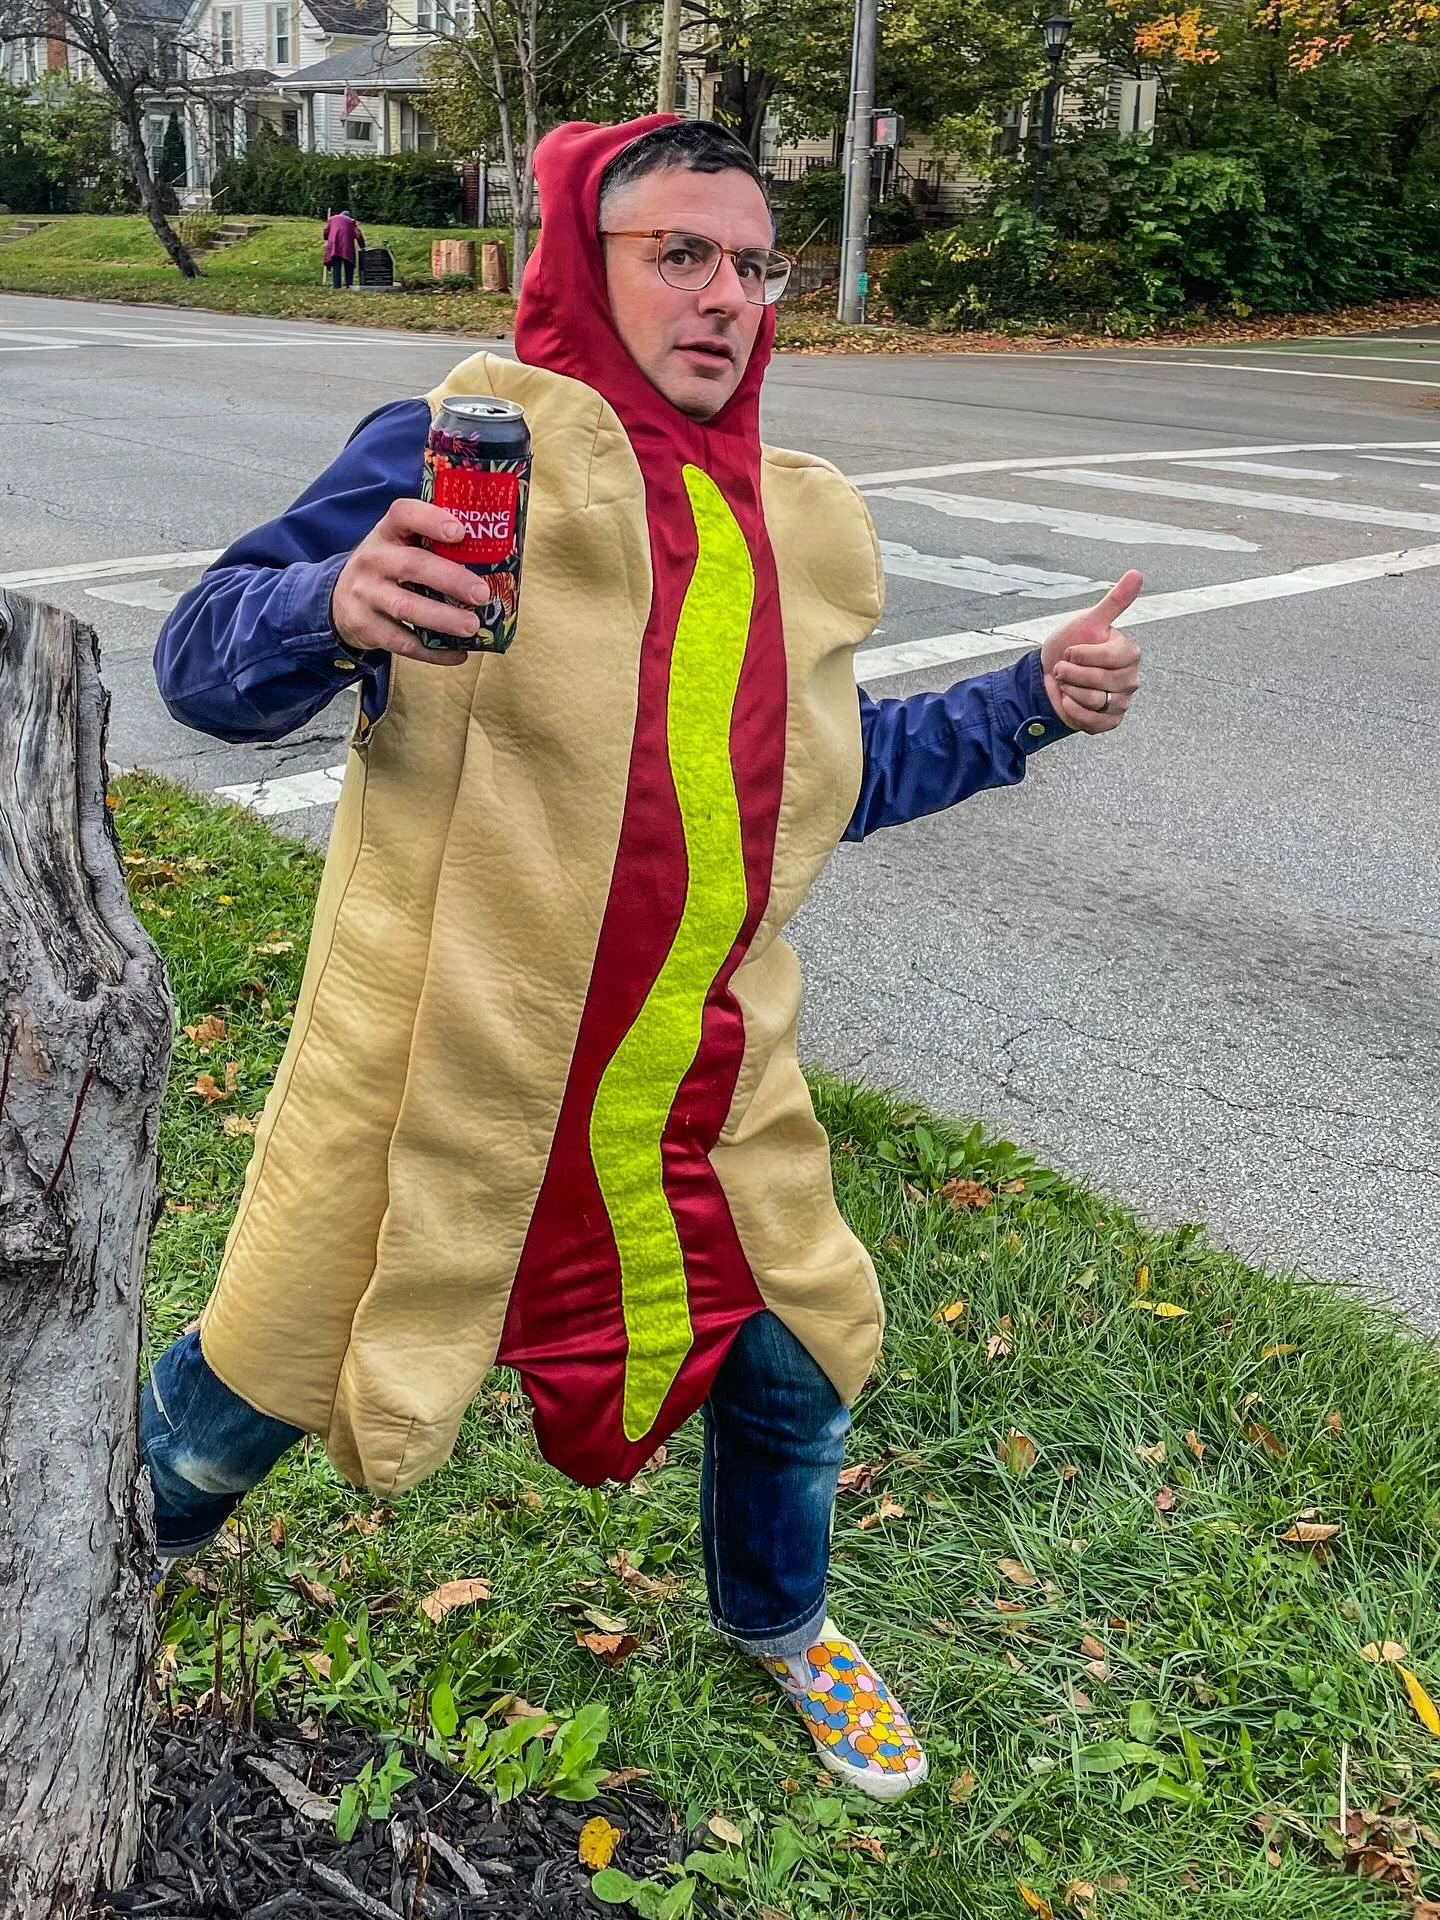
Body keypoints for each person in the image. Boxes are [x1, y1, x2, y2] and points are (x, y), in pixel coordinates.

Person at [146, 115, 1142, 1801]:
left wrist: (1027, 702)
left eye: (756, 265)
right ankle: (111, 1550)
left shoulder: (783, 521)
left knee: (799, 1357)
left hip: (696, 1079)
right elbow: (199, 662)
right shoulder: (462, 443)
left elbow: (814, 785)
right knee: (260, 1368)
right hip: (444, 1069)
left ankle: (782, 1619)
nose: (729, 297)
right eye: (678, 252)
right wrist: (329, 608)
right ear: (575, 266)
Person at [323, 207, 364, 289]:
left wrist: (326, 237)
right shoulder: (351, 221)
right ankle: (349, 285)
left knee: (336, 267)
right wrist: (362, 246)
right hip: (347, 247)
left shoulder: (331, 219)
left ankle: (336, 286)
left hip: (334, 246)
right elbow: (358, 234)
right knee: (349, 265)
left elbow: (326, 231)